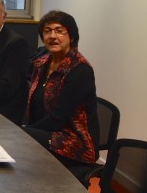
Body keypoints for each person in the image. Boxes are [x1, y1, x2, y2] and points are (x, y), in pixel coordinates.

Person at [22, 10, 99, 181]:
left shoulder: (79, 70)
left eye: (59, 31)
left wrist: (25, 131)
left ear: (71, 37)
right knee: (17, 140)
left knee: (18, 142)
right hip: (47, 132)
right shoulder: (42, 63)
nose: (52, 36)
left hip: (75, 142)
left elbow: (58, 118)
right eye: (47, 31)